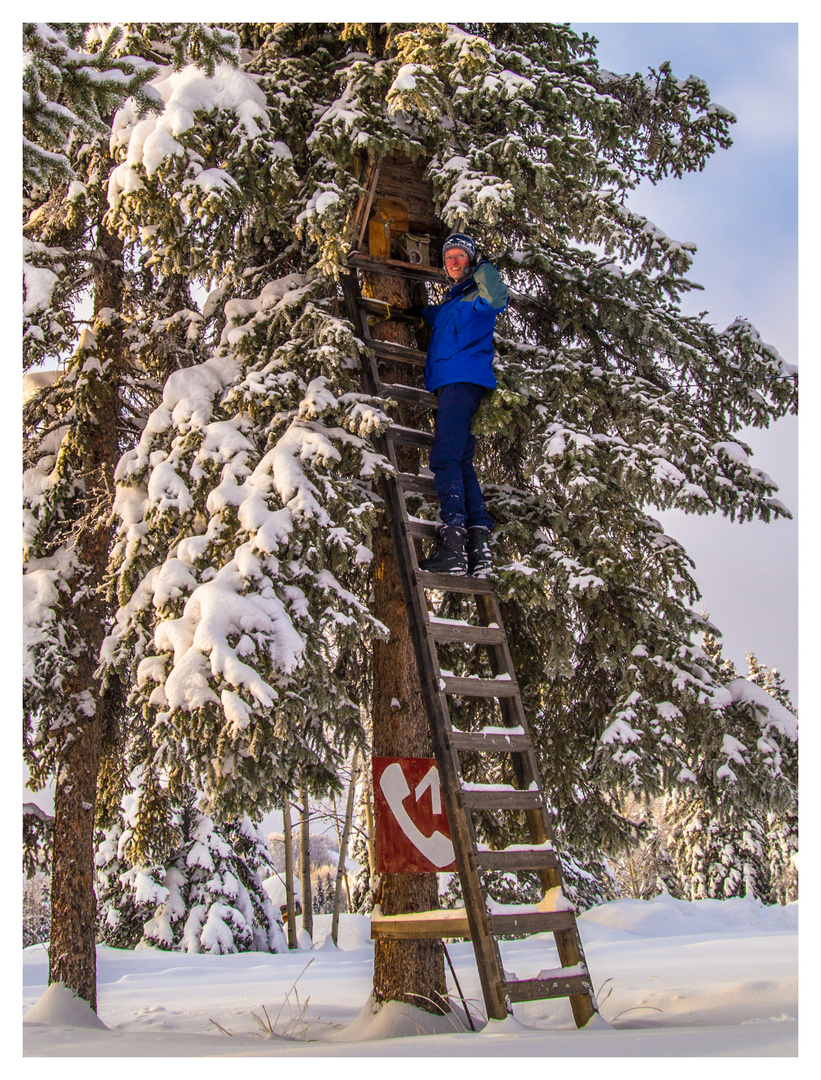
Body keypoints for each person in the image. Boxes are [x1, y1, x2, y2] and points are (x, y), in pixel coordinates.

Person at [401, 233, 508, 576]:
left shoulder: (478, 298)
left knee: (445, 458)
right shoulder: (453, 303)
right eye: (449, 258)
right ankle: (478, 550)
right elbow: (437, 317)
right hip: (454, 383)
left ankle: (453, 547)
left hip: (463, 383)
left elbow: (497, 299)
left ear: (472, 261)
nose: (453, 262)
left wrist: (486, 269)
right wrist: (412, 313)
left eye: (460, 256)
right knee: (461, 461)